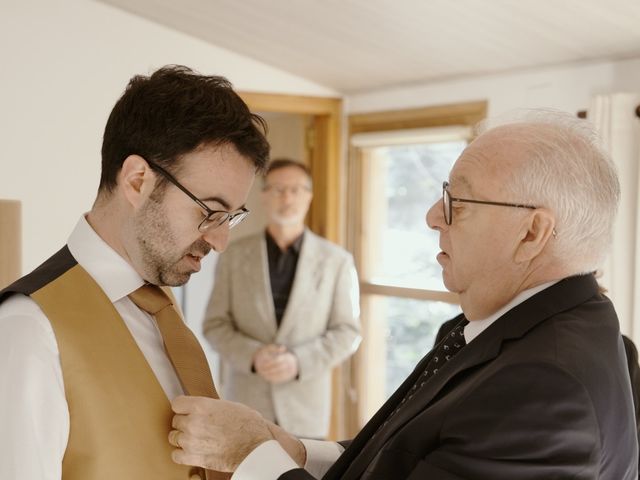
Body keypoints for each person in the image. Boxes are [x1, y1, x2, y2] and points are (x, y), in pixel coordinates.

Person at [167, 110, 639, 479]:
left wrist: (253, 457)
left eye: (459, 201)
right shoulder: (502, 330)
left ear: (532, 233)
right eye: (442, 193)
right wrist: (297, 452)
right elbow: (404, 456)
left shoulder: (546, 388)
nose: (433, 216)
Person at [0, 65, 270, 480]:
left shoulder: (159, 306)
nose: (220, 241)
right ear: (138, 180)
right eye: (210, 212)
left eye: (231, 218)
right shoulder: (27, 330)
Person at [203, 158, 361, 439]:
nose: (287, 197)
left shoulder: (337, 261)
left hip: (305, 410)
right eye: (277, 189)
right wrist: (253, 355)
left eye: (296, 189)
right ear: (263, 195)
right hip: (245, 404)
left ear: (309, 196)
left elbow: (348, 332)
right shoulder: (234, 255)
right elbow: (214, 325)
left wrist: (299, 361)